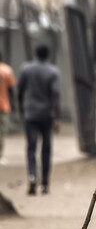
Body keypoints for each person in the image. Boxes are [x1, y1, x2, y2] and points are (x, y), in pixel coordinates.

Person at [18, 44, 60, 195]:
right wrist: (57, 117)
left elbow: (20, 91)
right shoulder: (53, 71)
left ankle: (32, 175)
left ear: (36, 53)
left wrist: (22, 109)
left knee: (31, 147)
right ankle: (45, 183)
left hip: (30, 113)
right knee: (46, 149)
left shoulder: (26, 69)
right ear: (47, 54)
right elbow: (55, 95)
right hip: (46, 114)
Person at [0, 50, 16, 164]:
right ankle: (0, 155)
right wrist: (13, 105)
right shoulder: (6, 70)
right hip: (3, 106)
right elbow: (11, 90)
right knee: (1, 132)